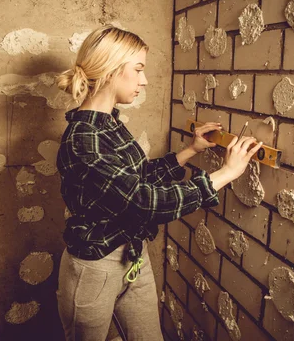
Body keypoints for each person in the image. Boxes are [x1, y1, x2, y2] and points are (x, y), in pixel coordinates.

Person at [54, 25, 262, 341]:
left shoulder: (108, 123)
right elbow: (144, 202)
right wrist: (226, 174)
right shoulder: (84, 139)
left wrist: (190, 151)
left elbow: (133, 181)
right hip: (95, 268)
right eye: (137, 69)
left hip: (133, 254)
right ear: (111, 71)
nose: (144, 80)